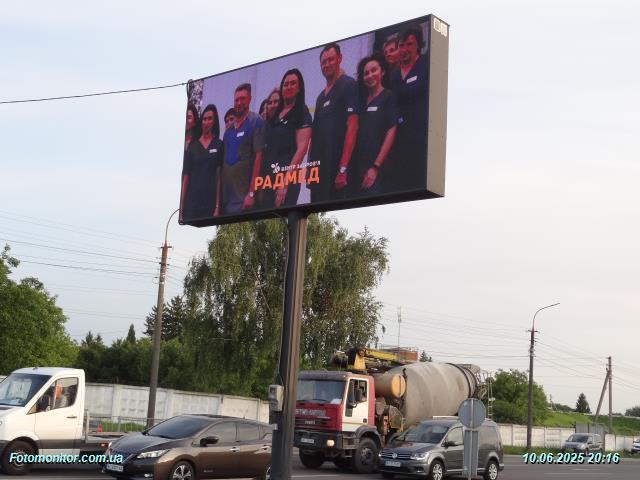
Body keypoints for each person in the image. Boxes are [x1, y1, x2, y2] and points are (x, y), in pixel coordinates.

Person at [250, 69, 312, 209]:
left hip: (285, 183)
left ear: (299, 88)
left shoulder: (301, 111)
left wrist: (285, 183)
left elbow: (302, 149)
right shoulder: (274, 116)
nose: (289, 87)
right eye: (285, 84)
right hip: (266, 182)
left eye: (293, 83)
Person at [309, 43, 359, 203]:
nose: (327, 64)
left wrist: (343, 168)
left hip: (336, 171)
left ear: (340, 59)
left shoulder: (349, 85)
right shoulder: (320, 97)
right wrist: (311, 170)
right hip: (319, 174)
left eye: (330, 59)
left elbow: (352, 126)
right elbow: (315, 136)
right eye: (323, 62)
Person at [388, 26, 429, 192]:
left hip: (420, 139)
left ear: (418, 45)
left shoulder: (426, 66)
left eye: (409, 44)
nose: (404, 49)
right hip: (399, 140)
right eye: (401, 45)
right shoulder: (394, 74)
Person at [352, 53, 398, 196]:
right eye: (366, 73)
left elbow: (391, 131)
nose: (370, 75)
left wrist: (375, 167)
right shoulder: (361, 100)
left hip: (376, 170)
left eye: (374, 70)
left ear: (382, 72)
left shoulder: (388, 96)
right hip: (358, 168)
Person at [221, 83, 264, 213]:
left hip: (244, 199)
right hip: (228, 200)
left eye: (242, 99)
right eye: (236, 100)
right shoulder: (228, 131)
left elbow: (259, 158)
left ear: (249, 99)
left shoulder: (256, 121)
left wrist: (251, 193)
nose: (239, 103)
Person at [180, 104, 224, 220]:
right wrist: (181, 208)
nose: (206, 122)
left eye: (210, 119)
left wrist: (217, 206)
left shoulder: (219, 144)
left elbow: (218, 178)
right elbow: (185, 179)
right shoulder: (192, 146)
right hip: (192, 204)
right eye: (204, 119)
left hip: (209, 204)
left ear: (214, 121)